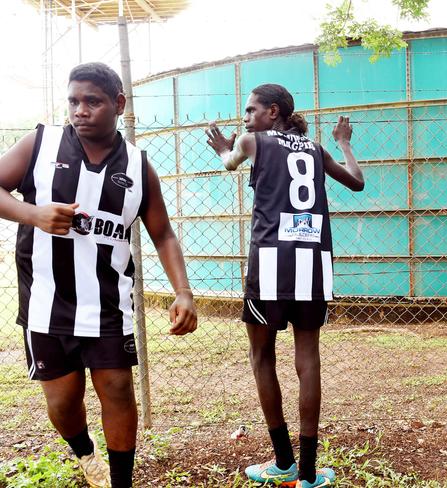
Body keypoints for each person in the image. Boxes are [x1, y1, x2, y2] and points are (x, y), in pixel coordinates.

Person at [0, 62, 197, 488]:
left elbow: (162, 233)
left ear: (118, 104)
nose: (80, 110)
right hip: (46, 302)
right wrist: (33, 214)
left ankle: (121, 481)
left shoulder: (139, 167)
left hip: (109, 305)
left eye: (93, 101)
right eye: (74, 100)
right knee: (64, 401)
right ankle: (85, 453)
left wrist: (183, 291)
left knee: (119, 391)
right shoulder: (41, 143)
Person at [206, 83, 364, 488]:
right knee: (308, 358)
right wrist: (344, 143)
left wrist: (225, 147)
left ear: (272, 111)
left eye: (250, 109)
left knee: (262, 357)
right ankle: (310, 472)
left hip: (270, 262)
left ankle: (283, 463)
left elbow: (228, 163)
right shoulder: (314, 149)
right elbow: (356, 182)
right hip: (314, 261)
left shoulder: (252, 141)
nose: (244, 117)